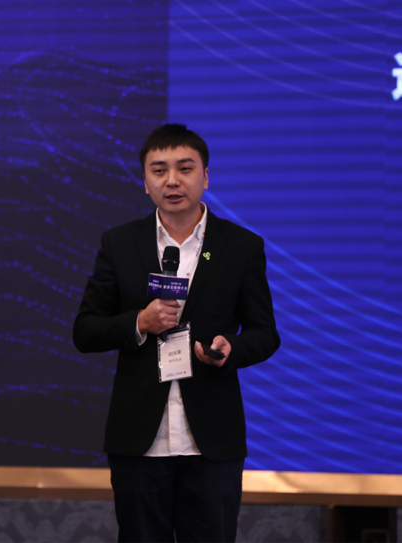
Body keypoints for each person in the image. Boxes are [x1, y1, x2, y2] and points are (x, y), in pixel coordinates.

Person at [73, 124, 281, 543]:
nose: (172, 180)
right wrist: (139, 322)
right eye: (159, 170)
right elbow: (86, 330)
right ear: (145, 181)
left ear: (206, 177)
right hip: (139, 439)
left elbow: (265, 333)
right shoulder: (119, 244)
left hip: (212, 439)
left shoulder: (241, 246)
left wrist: (231, 348)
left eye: (185, 169)